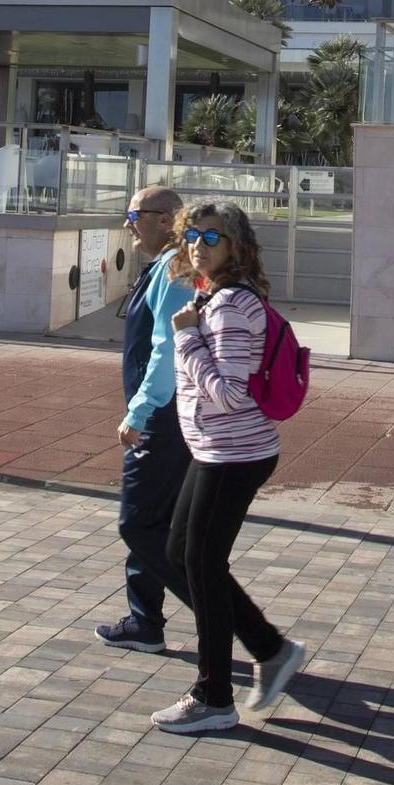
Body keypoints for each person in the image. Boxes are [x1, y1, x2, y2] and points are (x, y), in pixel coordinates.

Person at [149, 201, 305, 735]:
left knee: (203, 569)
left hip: (234, 454)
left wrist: (187, 337)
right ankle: (269, 648)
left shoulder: (230, 306)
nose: (198, 244)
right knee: (182, 555)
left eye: (212, 237)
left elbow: (232, 396)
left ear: (236, 246)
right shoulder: (212, 296)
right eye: (191, 234)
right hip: (217, 452)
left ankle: (214, 697)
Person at [94, 186, 193, 654]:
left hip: (162, 416)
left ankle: (237, 620)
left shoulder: (174, 272)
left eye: (133, 214)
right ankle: (144, 621)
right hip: (162, 413)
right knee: (154, 522)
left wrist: (139, 412)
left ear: (162, 219)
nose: (127, 223)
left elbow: (167, 350)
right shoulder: (163, 268)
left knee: (136, 523)